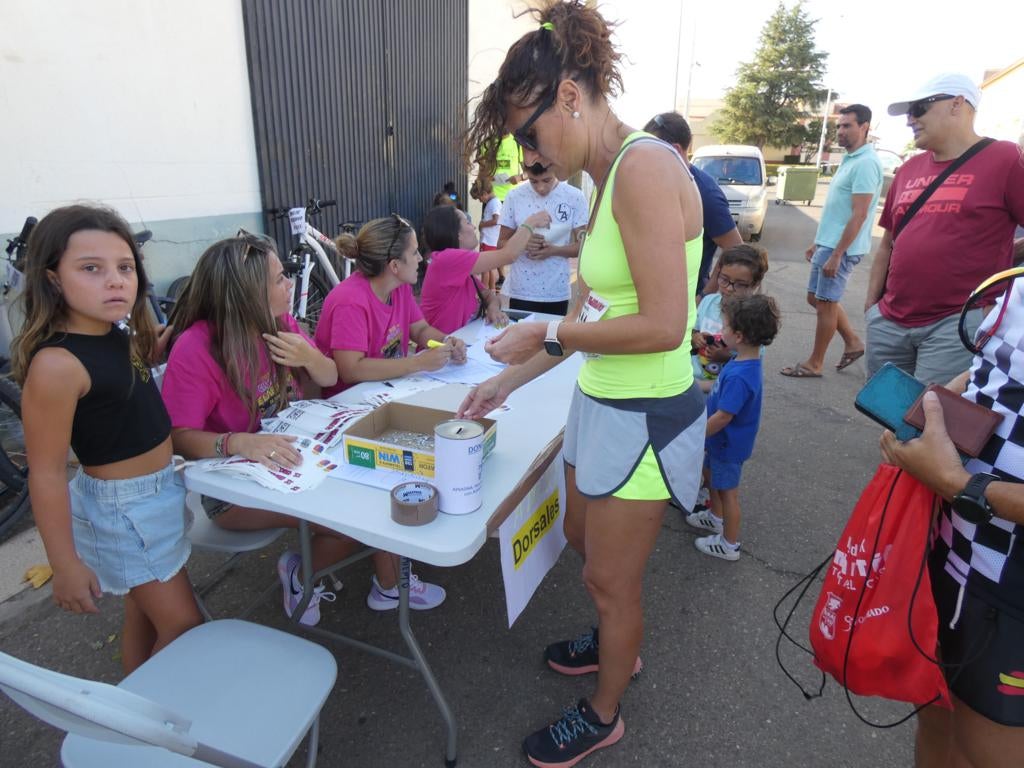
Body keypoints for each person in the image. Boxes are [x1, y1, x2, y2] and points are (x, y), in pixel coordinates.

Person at [460, 3, 706, 764]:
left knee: (609, 577)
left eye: (529, 135)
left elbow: (667, 324)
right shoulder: (606, 178)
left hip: (645, 408)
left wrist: (550, 333)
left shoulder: (643, 168)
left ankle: (605, 707)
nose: (528, 153)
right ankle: (611, 637)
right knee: (576, 538)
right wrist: (515, 379)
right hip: (600, 395)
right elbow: (596, 312)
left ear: (570, 94)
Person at [163, 233, 445, 625]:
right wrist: (238, 442)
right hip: (230, 486)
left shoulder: (280, 322)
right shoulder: (196, 349)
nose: (290, 284)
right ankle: (301, 574)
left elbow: (328, 376)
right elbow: (179, 437)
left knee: (377, 480)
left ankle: (387, 584)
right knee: (354, 520)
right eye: (279, 279)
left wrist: (310, 357)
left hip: (295, 451)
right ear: (246, 293)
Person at [12, 203, 202, 673]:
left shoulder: (112, 332)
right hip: (126, 510)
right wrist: (65, 563)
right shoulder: (57, 365)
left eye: (124, 267)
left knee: (145, 608)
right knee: (184, 627)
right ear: (53, 278)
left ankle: (136, 696)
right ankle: (148, 728)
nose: (115, 280)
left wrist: (153, 347)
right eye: (91, 269)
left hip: (159, 491)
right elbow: (47, 473)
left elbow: (121, 386)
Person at [879, 275, 1024, 767]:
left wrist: (961, 485)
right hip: (950, 551)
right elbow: (990, 377)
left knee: (984, 751)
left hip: (1011, 592)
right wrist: (930, 414)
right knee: (936, 720)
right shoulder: (1015, 284)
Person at [864, 73, 1024, 385]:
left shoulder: (1005, 159)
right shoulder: (909, 168)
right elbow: (888, 244)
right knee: (887, 415)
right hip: (890, 320)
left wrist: (1010, 259)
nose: (910, 119)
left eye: (920, 108)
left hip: (955, 323)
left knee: (931, 420)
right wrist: (873, 307)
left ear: (957, 105)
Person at [780, 104, 882, 379]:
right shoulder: (849, 160)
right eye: (839, 126)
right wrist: (819, 243)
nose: (841, 131)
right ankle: (852, 341)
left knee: (825, 303)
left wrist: (837, 253)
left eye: (847, 126)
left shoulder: (866, 163)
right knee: (816, 298)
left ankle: (815, 363)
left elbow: (859, 215)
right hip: (829, 245)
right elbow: (837, 211)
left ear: (864, 128)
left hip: (842, 249)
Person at [315, 215, 467, 396]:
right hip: (351, 402)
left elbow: (419, 330)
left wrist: (446, 341)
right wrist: (417, 363)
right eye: (414, 252)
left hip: (389, 390)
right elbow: (351, 370)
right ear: (394, 265)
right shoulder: (349, 302)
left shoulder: (399, 287)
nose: (420, 258)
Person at [686, 295, 780, 560]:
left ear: (738, 336)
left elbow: (724, 417)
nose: (720, 331)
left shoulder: (740, 375)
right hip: (722, 441)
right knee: (715, 480)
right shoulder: (741, 362)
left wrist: (696, 435)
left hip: (727, 442)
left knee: (728, 492)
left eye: (725, 327)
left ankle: (729, 544)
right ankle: (715, 518)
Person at [644, 111, 743, 296]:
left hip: (685, 298)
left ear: (675, 149)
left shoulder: (706, 193)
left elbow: (736, 249)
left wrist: (705, 296)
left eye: (651, 151)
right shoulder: (657, 181)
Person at [419, 204, 551, 334]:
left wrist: (493, 308)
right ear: (457, 233)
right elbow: (509, 255)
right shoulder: (446, 260)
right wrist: (531, 222)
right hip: (439, 350)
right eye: (468, 222)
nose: (474, 226)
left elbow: (488, 295)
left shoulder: (459, 267)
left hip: (460, 344)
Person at [497, 163, 589, 316]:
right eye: (533, 181)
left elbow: (584, 246)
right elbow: (501, 244)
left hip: (556, 292)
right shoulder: (514, 196)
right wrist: (523, 243)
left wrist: (554, 250)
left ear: (556, 171)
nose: (540, 187)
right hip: (520, 291)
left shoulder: (575, 197)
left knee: (550, 339)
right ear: (526, 173)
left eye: (547, 180)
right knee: (519, 338)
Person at [691, 244, 768, 391]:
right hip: (694, 380)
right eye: (724, 279)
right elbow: (692, 332)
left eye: (740, 284)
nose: (729, 288)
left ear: (755, 284)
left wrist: (725, 357)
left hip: (727, 386)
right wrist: (696, 338)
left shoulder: (753, 317)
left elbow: (753, 361)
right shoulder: (708, 302)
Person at [469, 175, 503, 290]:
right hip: (489, 240)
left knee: (485, 268)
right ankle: (491, 290)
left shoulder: (494, 203)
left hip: (489, 241)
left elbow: (496, 220)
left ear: (484, 193)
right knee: (489, 268)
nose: (479, 200)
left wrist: (482, 224)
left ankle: (483, 292)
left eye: (479, 198)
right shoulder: (492, 202)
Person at [492, 133, 524, 201]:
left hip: (512, 197)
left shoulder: (517, 142)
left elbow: (530, 172)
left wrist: (521, 177)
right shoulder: (488, 143)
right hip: (491, 198)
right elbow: (482, 172)